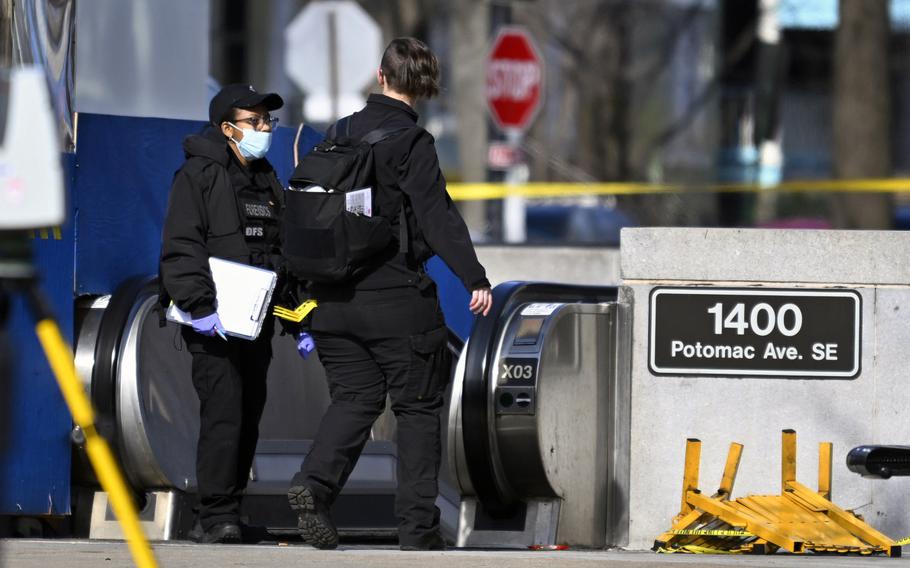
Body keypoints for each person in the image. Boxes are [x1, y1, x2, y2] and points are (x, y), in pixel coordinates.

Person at [287, 37, 493, 551]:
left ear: (380, 77)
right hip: (397, 301)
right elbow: (437, 216)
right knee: (418, 409)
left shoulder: (339, 134)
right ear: (424, 86)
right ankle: (418, 530)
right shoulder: (412, 143)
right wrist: (474, 277)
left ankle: (314, 486)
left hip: (331, 303)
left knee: (354, 399)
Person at [158, 83, 289, 544]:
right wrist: (199, 305)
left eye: (267, 120)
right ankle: (213, 516)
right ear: (228, 128)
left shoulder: (266, 178)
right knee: (224, 413)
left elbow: (278, 247)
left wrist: (296, 313)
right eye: (254, 121)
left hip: (255, 321)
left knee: (249, 413)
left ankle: (231, 507)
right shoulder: (199, 175)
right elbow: (181, 246)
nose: (264, 128)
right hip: (212, 319)